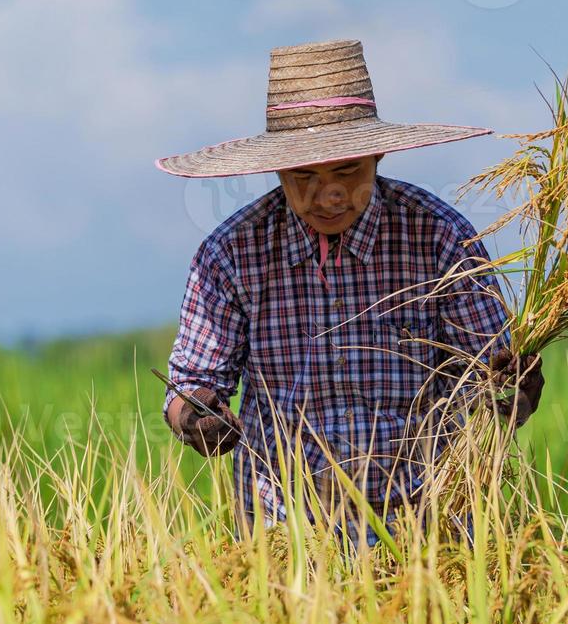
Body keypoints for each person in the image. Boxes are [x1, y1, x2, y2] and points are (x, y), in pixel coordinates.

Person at [156, 38, 544, 553]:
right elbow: (190, 387)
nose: (330, 196)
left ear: (378, 155)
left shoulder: (438, 238)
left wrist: (509, 391)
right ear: (276, 171)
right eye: (304, 177)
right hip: (284, 530)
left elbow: (490, 376)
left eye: (347, 171)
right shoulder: (232, 254)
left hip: (427, 527)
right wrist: (197, 416)